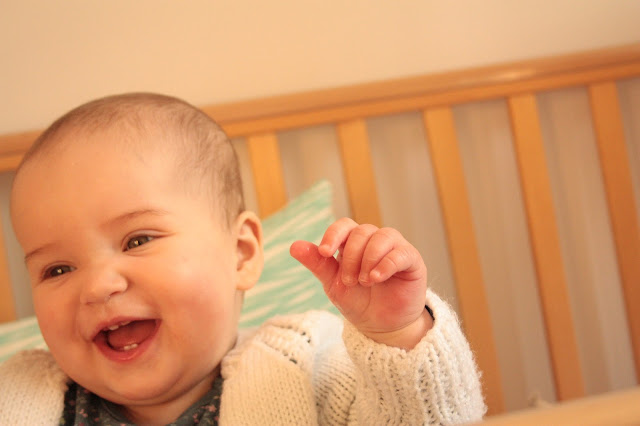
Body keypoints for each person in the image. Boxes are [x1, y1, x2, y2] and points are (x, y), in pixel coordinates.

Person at [0, 93, 485, 425]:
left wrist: (398, 335)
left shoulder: (308, 368)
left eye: (137, 240)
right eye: (57, 269)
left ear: (241, 253)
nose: (96, 286)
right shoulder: (19, 396)